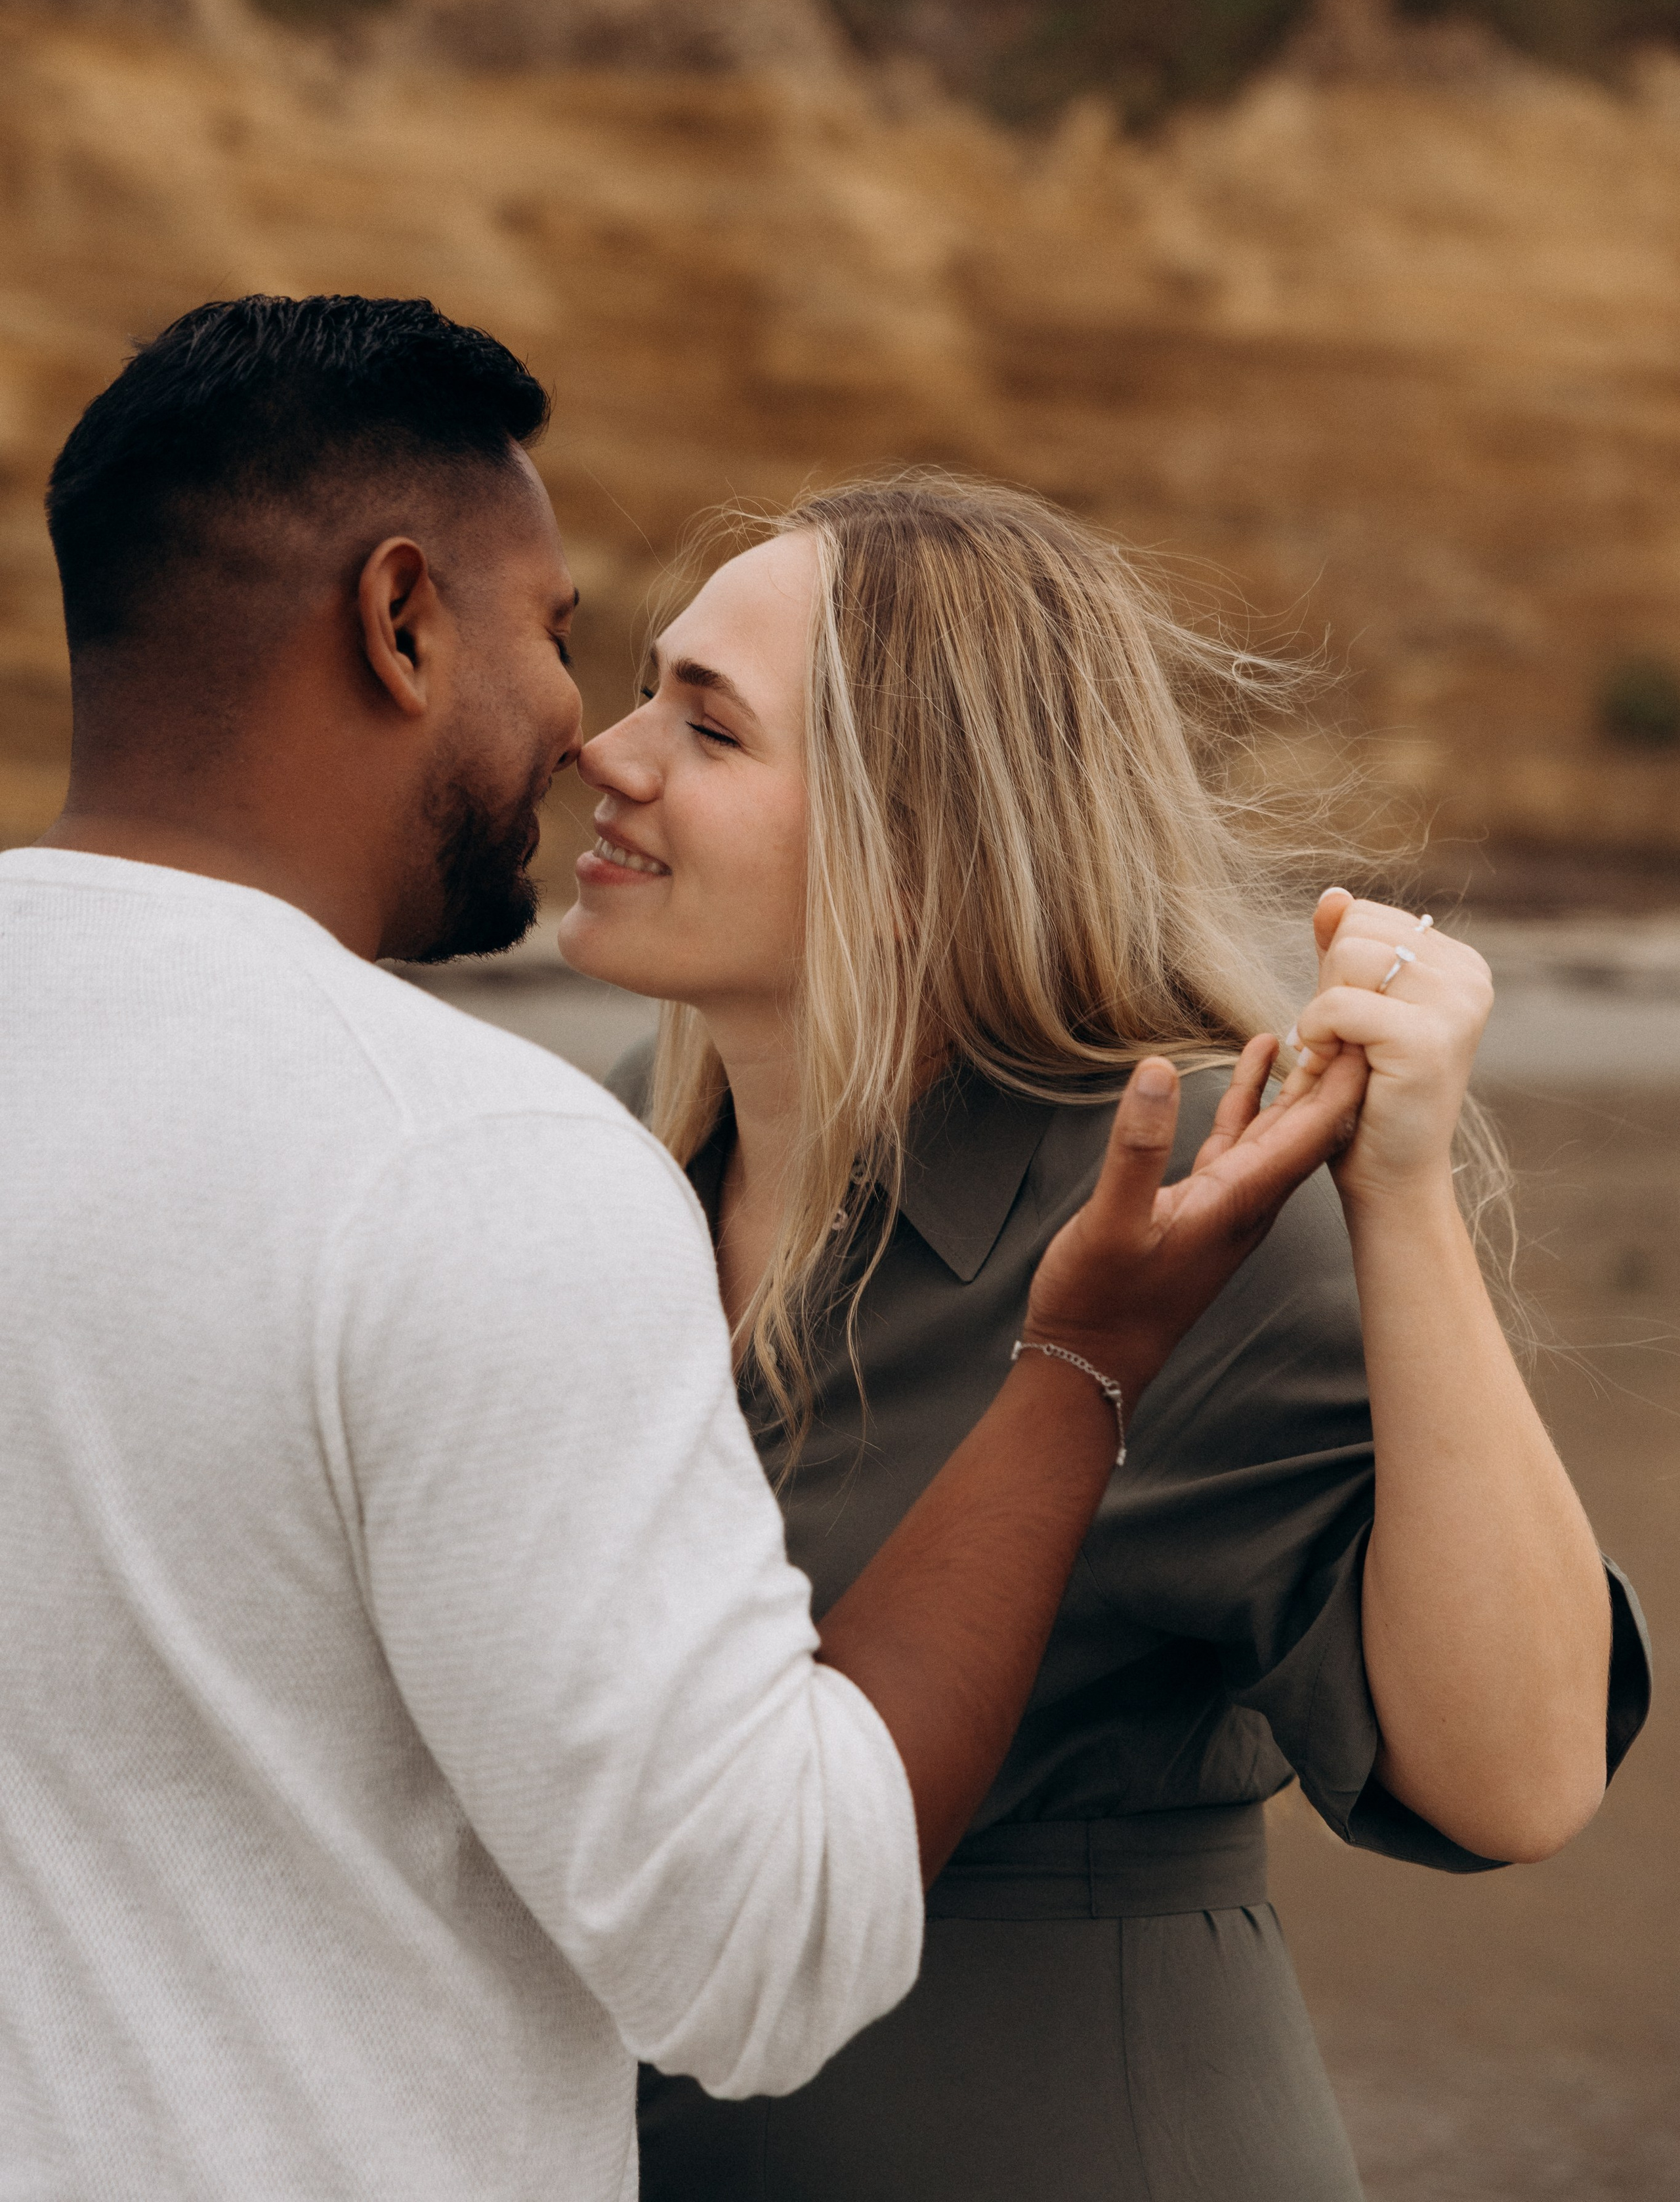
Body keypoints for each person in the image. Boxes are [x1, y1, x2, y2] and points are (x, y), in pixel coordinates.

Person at [0, 300, 1370, 2202]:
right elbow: (763, 1947)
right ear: (400, 622)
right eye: (560, 644)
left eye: (692, 711)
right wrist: (1078, 1370)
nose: (585, 740)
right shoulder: (471, 1163)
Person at [557, 475, 1653, 2202]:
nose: (607, 754)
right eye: (645, 690)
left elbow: (1518, 1778)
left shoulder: (1193, 1201)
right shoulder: (631, 1157)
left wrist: (1408, 1195)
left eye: (706, 727)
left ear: (918, 842)